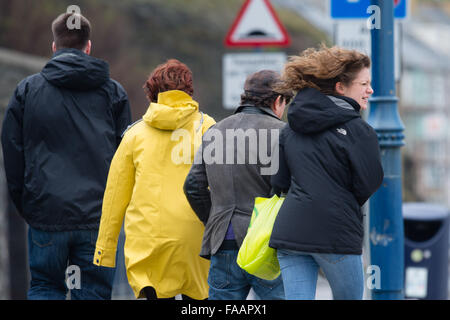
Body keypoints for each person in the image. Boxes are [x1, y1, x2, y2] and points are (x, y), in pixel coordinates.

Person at [1, 12, 131, 299]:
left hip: (46, 212)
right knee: (94, 290)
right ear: (88, 47)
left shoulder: (27, 91)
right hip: (97, 217)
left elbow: (12, 150)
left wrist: (27, 204)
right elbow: (126, 158)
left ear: (53, 46)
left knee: (46, 287)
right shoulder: (114, 94)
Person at [93, 59, 215, 300]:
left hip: (147, 240)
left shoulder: (134, 134)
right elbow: (222, 183)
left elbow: (115, 196)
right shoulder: (207, 126)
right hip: (195, 238)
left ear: (151, 92)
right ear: (189, 90)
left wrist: (104, 251)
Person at [268, 45, 384, 300]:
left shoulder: (290, 129)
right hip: (337, 232)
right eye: (364, 84)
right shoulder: (359, 131)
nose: (370, 90)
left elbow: (279, 182)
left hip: (291, 231)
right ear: (340, 87)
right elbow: (370, 182)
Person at [183, 70, 291, 300]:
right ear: (278, 100)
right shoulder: (283, 133)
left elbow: (193, 185)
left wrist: (215, 218)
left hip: (224, 241)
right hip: (268, 245)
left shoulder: (215, 131)